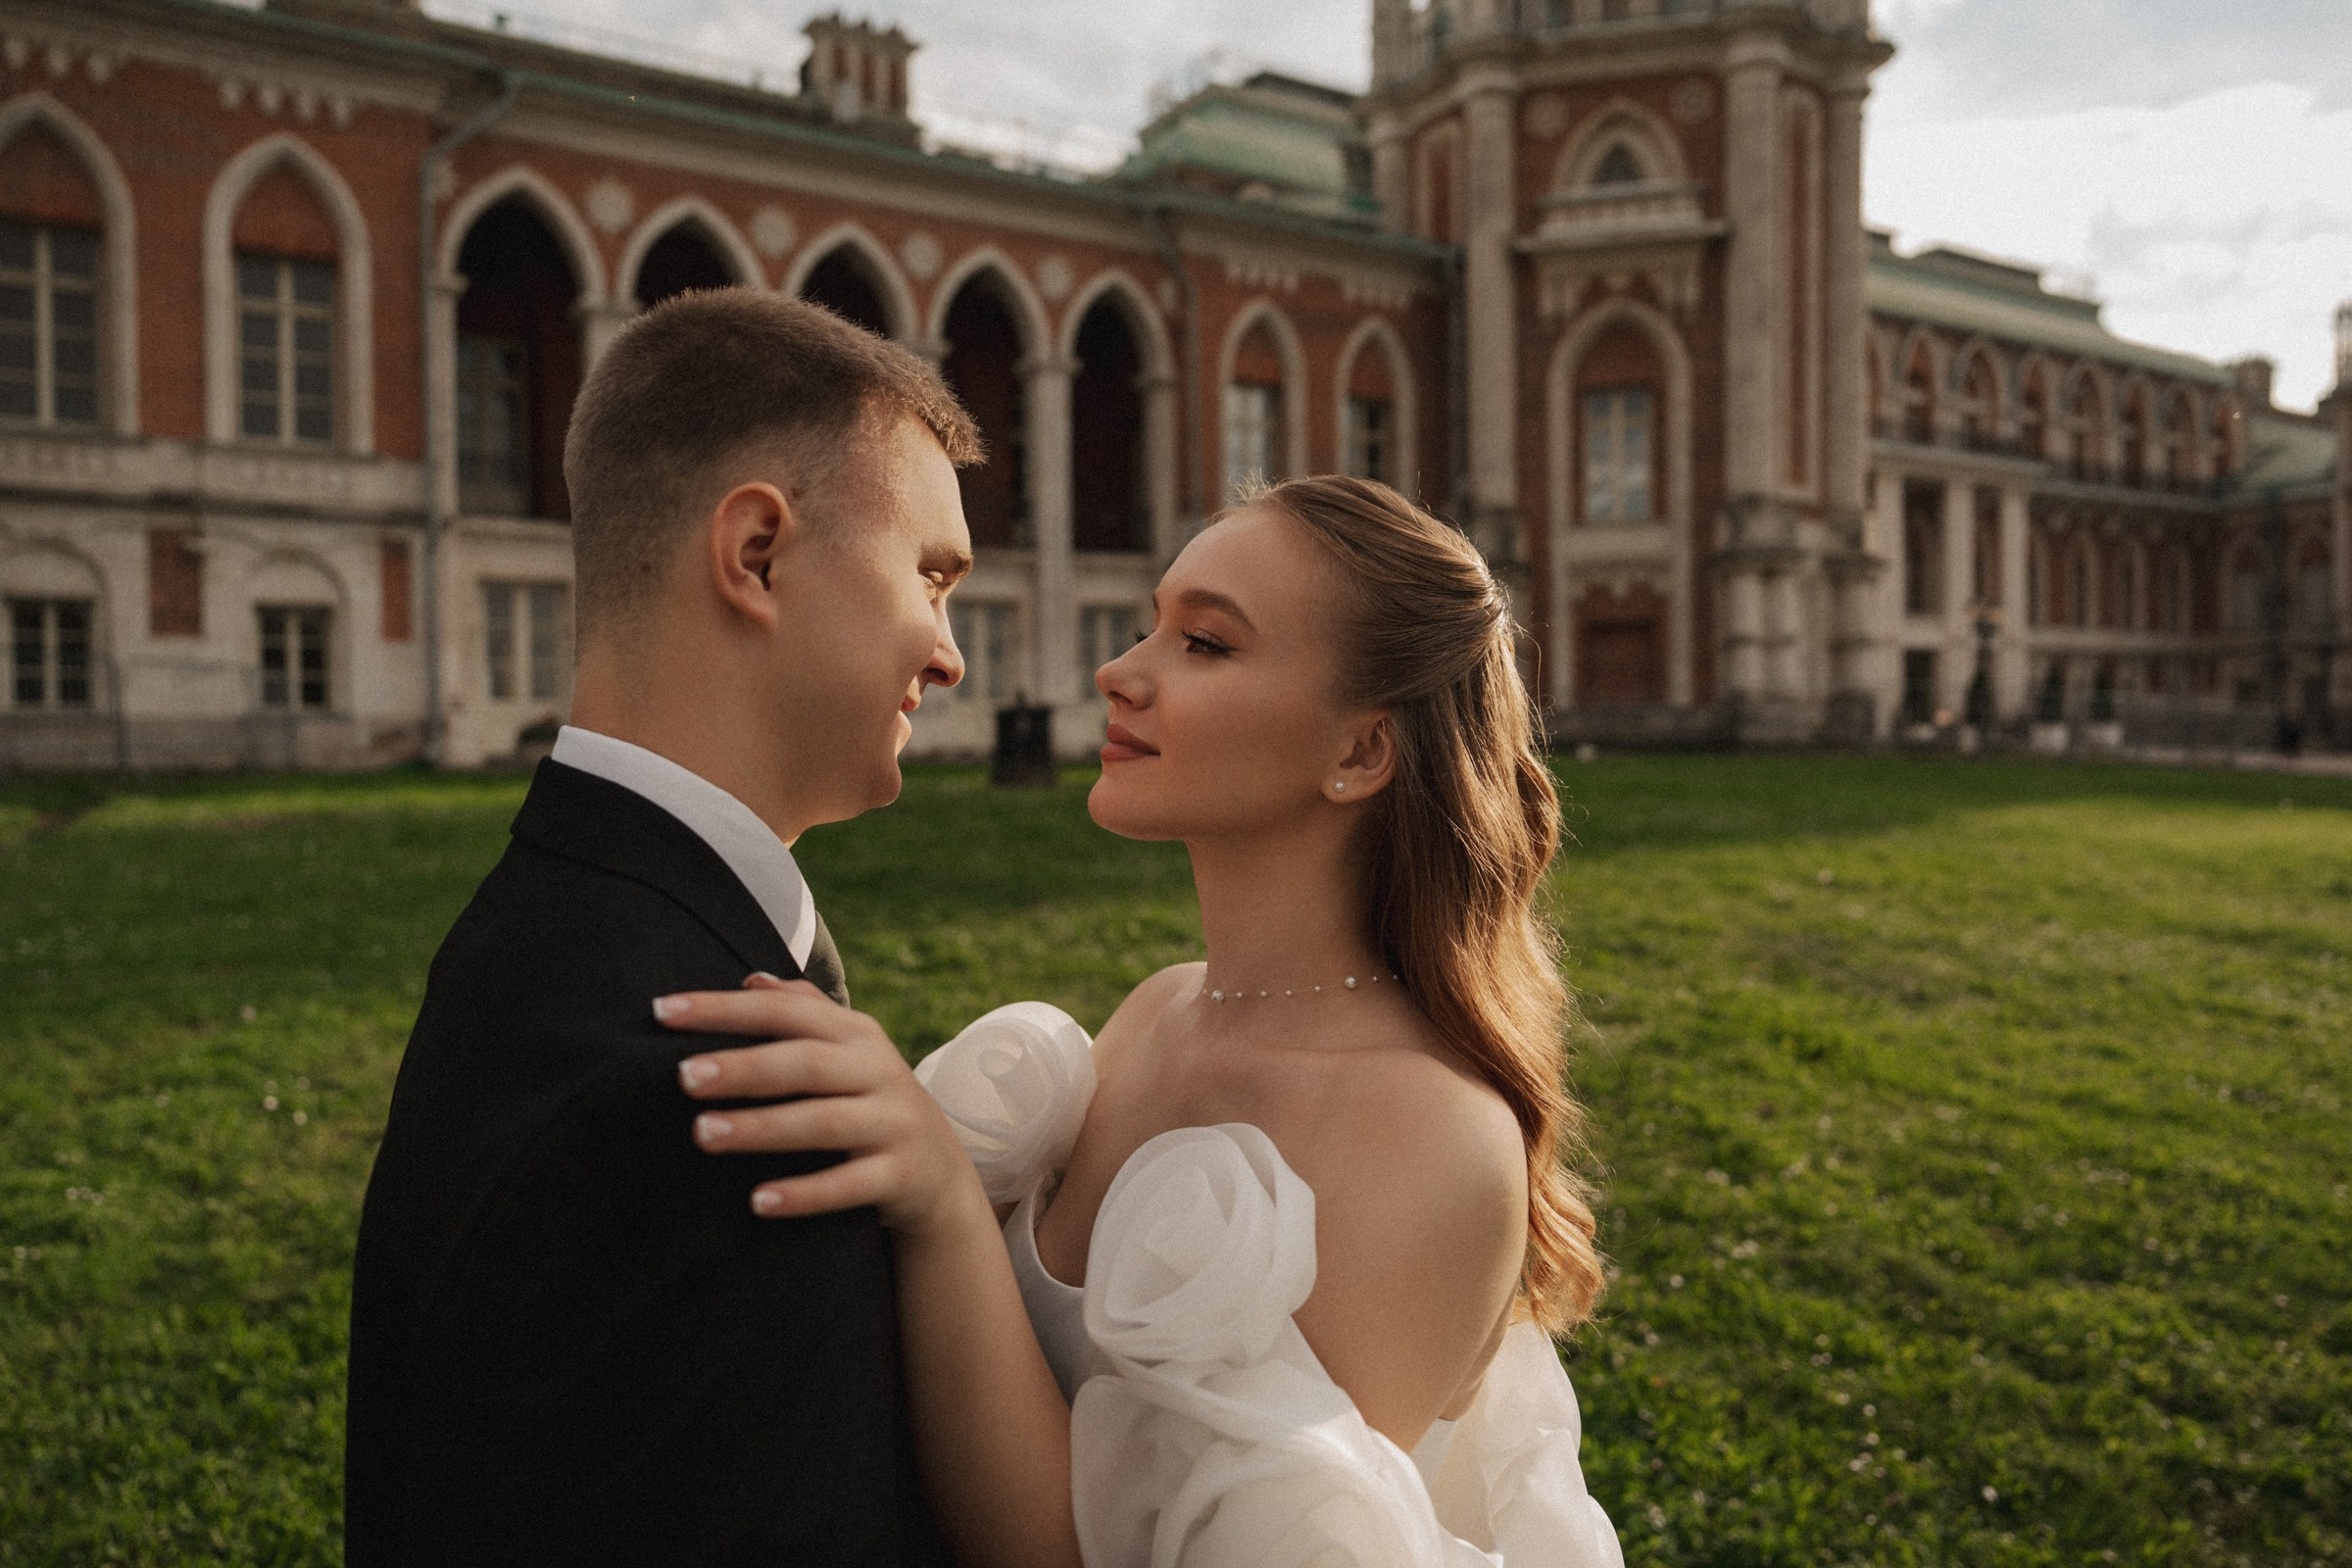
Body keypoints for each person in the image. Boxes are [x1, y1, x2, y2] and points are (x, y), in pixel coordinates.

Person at [661, 476, 1623, 1568]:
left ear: (1360, 752)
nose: (1120, 672)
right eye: (1147, 627)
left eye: (1204, 643)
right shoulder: (1161, 1008)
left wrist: (941, 1202)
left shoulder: (1433, 1137)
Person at [343, 289, 979, 1566]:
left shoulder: (551, 919)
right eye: (930, 575)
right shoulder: (711, 1090)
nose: (949, 654)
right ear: (758, 554)